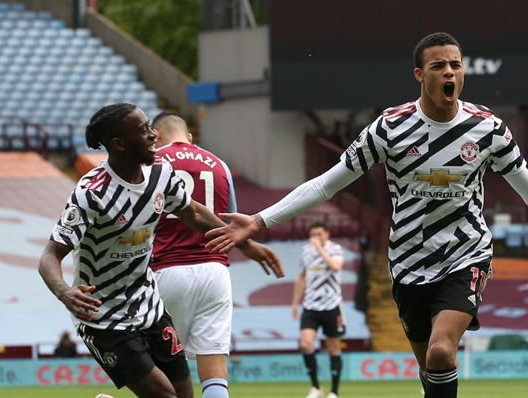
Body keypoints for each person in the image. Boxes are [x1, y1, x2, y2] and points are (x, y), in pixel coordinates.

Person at [204, 32, 528, 398]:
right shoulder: (388, 129)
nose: (449, 72)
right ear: (420, 75)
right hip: (408, 264)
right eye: (438, 66)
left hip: (466, 254)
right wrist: (261, 220)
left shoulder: (487, 129)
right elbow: (326, 183)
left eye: (455, 64)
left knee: (441, 353)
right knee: (429, 370)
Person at [38, 103, 283, 398]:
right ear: (119, 144)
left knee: (184, 395)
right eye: (143, 130)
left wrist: (244, 242)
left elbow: (193, 213)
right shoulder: (92, 193)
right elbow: (50, 256)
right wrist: (65, 293)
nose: (154, 134)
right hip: (104, 316)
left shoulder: (161, 174)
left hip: (149, 305)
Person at [149, 112, 283, 398]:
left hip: (165, 270)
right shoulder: (220, 165)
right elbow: (230, 225)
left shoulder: (150, 164)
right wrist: (249, 247)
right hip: (215, 273)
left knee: (156, 370)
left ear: (155, 135)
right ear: (189, 137)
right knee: (213, 365)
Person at [292, 220, 345, 398]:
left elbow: (335, 266)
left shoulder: (336, 249)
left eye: (319, 234)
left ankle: (334, 392)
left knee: (333, 348)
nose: (315, 238)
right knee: (305, 343)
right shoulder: (306, 252)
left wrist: (320, 250)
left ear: (327, 234)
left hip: (332, 305)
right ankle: (316, 387)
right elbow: (301, 277)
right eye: (312, 235)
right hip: (311, 305)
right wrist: (294, 302)